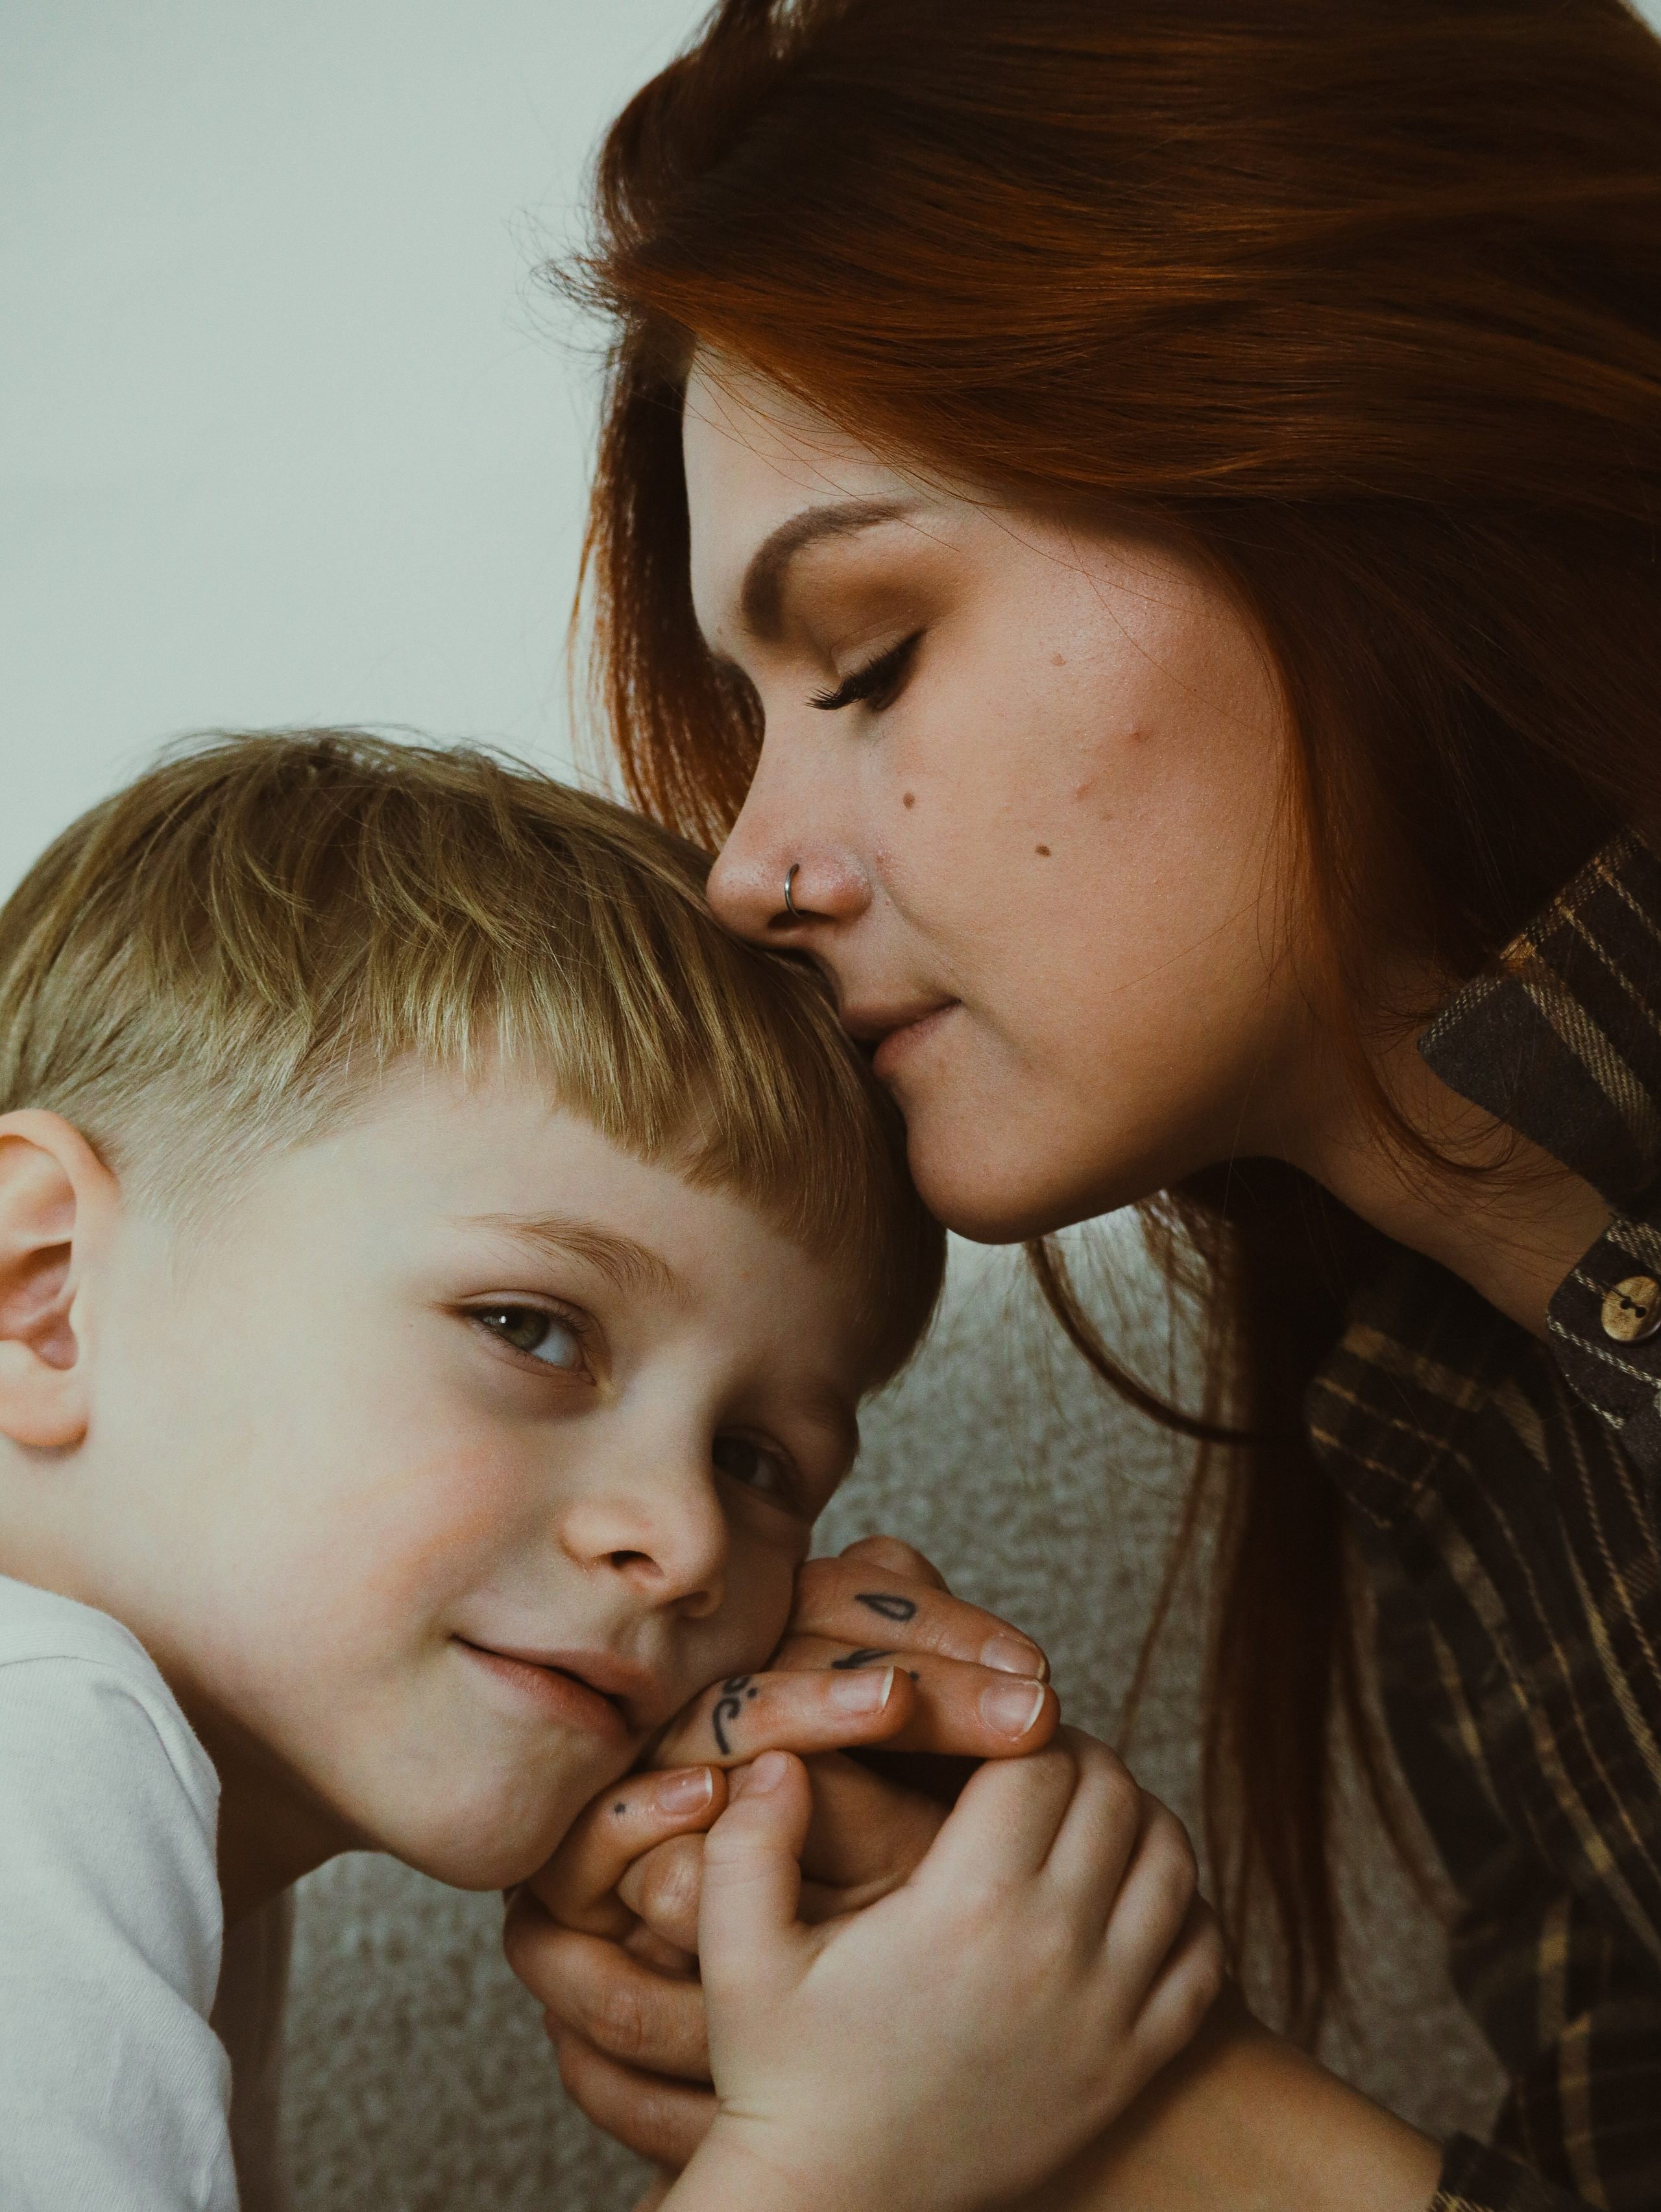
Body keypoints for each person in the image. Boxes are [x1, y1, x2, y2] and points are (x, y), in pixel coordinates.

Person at [504, 1, 1661, 2206]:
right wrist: (1027, 2017)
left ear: (1362, 452)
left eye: (862, 657)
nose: (749, 867)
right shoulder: (1463, 1436)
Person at [0, 730, 1221, 2210]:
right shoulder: (46, 1743)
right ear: (45, 1287)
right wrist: (843, 2169)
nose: (687, 1536)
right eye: (529, 1329)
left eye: (761, 1460)